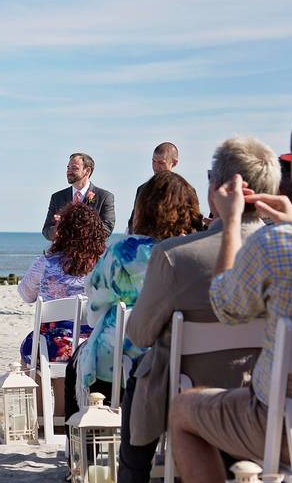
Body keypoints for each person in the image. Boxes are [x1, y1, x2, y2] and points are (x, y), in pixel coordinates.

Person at [120, 137, 279, 483]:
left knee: (138, 375)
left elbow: (139, 333)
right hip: (270, 394)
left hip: (187, 393)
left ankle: (133, 476)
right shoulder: (287, 252)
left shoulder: (175, 255)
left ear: (217, 188)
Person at [170, 108, 292, 480]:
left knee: (183, 410)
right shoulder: (290, 237)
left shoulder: (280, 246)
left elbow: (226, 306)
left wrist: (231, 220)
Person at [66, 171, 203, 417]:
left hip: (122, 359)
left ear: (144, 208)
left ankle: (83, 450)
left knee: (78, 363)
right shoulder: (196, 251)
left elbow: (95, 306)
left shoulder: (123, 252)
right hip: (186, 359)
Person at [18, 203, 108, 418]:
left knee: (34, 347)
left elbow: (25, 294)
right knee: (52, 344)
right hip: (95, 344)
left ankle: (45, 418)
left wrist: (51, 252)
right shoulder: (105, 264)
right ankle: (72, 412)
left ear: (62, 232)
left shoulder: (46, 263)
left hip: (56, 346)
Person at [42, 153, 116, 240]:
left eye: (74, 168)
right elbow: (46, 230)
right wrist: (57, 228)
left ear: (87, 171)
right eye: (68, 167)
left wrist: (76, 226)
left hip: (90, 252)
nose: (69, 171)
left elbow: (107, 229)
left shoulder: (104, 197)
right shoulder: (57, 197)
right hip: (61, 252)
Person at [126, 143, 186, 233]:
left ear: (174, 163)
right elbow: (134, 221)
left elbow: (190, 221)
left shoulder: (185, 190)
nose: (156, 167)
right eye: (153, 161)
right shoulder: (142, 189)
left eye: (161, 163)